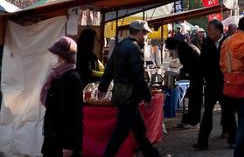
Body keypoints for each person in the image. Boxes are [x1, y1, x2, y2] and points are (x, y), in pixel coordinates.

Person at [98, 21, 160, 157]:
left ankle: (152, 155)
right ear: (139, 33)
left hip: (121, 93)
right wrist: (147, 96)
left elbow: (109, 68)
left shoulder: (121, 45)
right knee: (122, 131)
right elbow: (138, 76)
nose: (146, 37)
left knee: (138, 129)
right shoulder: (134, 48)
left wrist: (103, 87)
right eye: (145, 33)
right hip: (130, 95)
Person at [219, 16, 244, 157]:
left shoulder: (227, 41)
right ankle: (239, 154)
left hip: (228, 86)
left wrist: (230, 76)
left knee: (235, 120)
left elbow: (222, 65)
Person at [41, 36, 83, 157]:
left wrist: (68, 145)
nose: (53, 57)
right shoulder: (57, 76)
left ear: (64, 57)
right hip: (53, 138)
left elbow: (72, 115)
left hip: (62, 144)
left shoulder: (71, 79)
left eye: (56, 55)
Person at [195, 19, 233, 150]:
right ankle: (202, 141)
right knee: (207, 112)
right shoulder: (207, 42)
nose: (208, 33)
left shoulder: (228, 42)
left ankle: (232, 138)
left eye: (210, 31)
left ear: (219, 31)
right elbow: (202, 61)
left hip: (225, 82)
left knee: (228, 110)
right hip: (211, 83)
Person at [165, 36, 203, 128]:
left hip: (197, 75)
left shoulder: (184, 48)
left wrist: (180, 75)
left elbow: (187, 64)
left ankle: (194, 122)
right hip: (196, 75)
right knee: (191, 99)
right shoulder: (185, 46)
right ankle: (187, 120)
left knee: (195, 99)